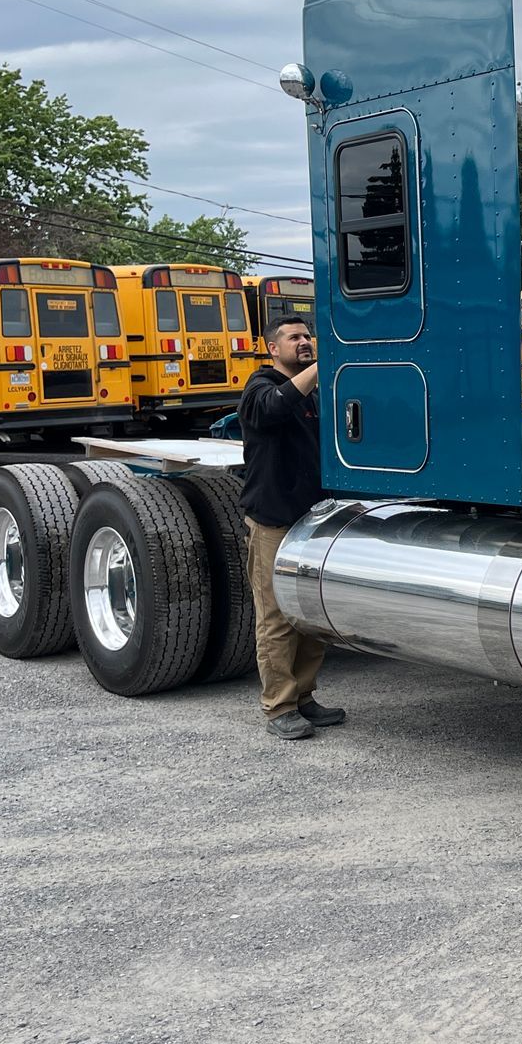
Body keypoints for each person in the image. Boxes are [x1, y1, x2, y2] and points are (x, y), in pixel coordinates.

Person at [238, 316, 342, 740]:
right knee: (277, 618)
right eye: (294, 337)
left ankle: (303, 696)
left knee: (310, 614)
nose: (305, 342)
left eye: (307, 336)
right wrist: (324, 364)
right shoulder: (259, 387)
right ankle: (279, 706)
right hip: (274, 522)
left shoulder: (314, 394)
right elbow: (272, 410)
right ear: (271, 348)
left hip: (313, 520)